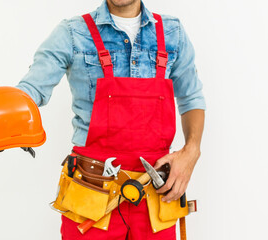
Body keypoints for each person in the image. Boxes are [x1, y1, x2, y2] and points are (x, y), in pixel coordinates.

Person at [15, 0, 205, 239]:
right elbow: (31, 89)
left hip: (155, 193)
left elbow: (191, 98)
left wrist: (191, 151)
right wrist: (7, 116)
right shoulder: (72, 33)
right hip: (91, 192)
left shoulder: (172, 32)